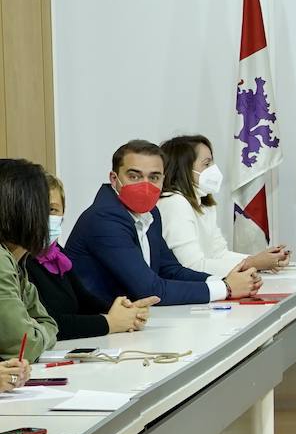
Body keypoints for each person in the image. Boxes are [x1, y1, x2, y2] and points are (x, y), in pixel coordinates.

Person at [65, 140, 261, 307]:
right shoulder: (105, 218)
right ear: (114, 179)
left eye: (154, 177)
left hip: (133, 324)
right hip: (98, 330)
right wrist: (226, 288)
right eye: (134, 176)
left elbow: (170, 270)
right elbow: (150, 290)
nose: (145, 184)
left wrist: (224, 281)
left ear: (163, 180)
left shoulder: (151, 213)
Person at [27, 173, 157, 340]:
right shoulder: (20, 260)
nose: (44, 216)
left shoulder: (56, 253)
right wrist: (109, 323)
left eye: (52, 209)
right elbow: (49, 323)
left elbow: (85, 301)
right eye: (37, 209)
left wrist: (125, 312)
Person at [157, 135, 290, 276]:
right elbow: (191, 266)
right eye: (206, 164)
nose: (213, 169)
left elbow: (219, 254)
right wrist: (253, 263)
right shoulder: (174, 203)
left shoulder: (203, 203)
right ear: (183, 169)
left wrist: (261, 261)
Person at [0, 159, 59, 374]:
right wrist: (37, 334)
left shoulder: (17, 261)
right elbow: (24, 345)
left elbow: (47, 322)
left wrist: (36, 332)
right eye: (47, 208)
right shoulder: (1, 260)